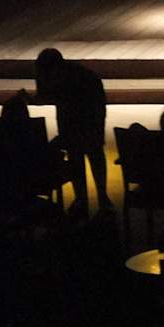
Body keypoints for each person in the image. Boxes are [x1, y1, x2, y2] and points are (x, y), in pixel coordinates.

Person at [34, 48, 112, 219]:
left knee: (87, 153)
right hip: (79, 118)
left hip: (87, 117)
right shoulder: (65, 75)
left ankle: (91, 198)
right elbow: (48, 95)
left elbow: (49, 96)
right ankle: (94, 198)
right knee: (87, 154)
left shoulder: (80, 79)